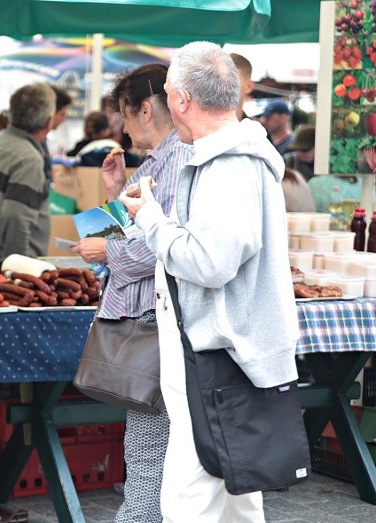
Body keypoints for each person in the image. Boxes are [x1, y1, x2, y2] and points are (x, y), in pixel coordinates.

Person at [118, 41, 299, 522]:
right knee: (235, 493)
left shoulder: (228, 164)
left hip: (219, 354)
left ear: (179, 100)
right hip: (225, 351)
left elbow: (210, 262)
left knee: (188, 499)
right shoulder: (227, 156)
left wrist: (152, 220)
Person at [71, 63, 191, 523]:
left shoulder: (179, 156)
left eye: (124, 115)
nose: (121, 127)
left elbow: (162, 244)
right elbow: (145, 230)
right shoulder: (161, 158)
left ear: (146, 108)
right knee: (146, 451)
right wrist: (117, 189)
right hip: (150, 321)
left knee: (147, 453)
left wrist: (105, 248)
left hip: (156, 323)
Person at [0, 83, 55, 276]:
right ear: (48, 122)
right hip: (12, 269)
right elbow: (17, 218)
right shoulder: (28, 158)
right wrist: (19, 272)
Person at [229, 52, 254, 120]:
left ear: (249, 86)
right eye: (219, 81)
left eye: (233, 83)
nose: (225, 88)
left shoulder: (255, 129)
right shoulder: (200, 127)